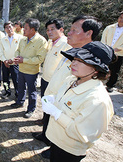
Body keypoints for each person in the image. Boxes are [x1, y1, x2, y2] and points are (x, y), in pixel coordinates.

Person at [35, 16, 102, 159]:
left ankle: (54, 148)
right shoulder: (73, 51)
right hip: (56, 96)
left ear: (88, 33)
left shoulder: (89, 62)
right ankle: (49, 141)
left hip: (68, 112)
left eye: (73, 30)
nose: (69, 33)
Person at [42, 41, 115, 162]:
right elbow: (66, 98)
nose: (73, 63)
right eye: (74, 58)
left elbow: (81, 132)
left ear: (96, 69)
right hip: (56, 139)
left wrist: (57, 113)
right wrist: (54, 99)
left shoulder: (97, 100)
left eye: (81, 61)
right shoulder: (72, 79)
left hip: (69, 148)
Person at [10, 18, 48, 118]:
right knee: (20, 87)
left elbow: (40, 59)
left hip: (31, 71)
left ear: (32, 30)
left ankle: (31, 109)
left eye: (26, 28)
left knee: (31, 91)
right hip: (21, 69)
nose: (23, 30)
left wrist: (24, 60)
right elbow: (17, 50)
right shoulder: (23, 39)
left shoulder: (41, 41)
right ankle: (20, 102)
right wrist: (17, 57)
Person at [101, 10, 123, 93]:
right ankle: (99, 82)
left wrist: (117, 49)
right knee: (102, 67)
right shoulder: (110, 27)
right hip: (106, 51)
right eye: (120, 17)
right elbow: (104, 38)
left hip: (118, 53)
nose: (122, 19)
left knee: (115, 70)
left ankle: (110, 85)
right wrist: (104, 47)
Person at [0, 21, 23, 99]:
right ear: (5, 29)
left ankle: (17, 94)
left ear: (13, 27)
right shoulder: (2, 39)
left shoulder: (20, 38)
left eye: (10, 27)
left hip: (15, 63)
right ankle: (7, 92)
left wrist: (12, 60)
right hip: (5, 63)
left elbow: (21, 51)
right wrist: (5, 61)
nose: (8, 29)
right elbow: (1, 53)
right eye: (6, 27)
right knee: (5, 80)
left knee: (16, 80)